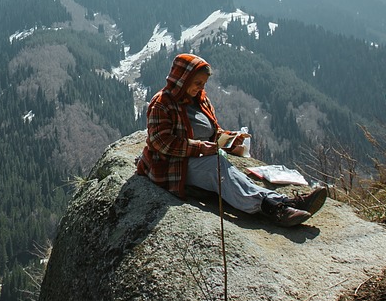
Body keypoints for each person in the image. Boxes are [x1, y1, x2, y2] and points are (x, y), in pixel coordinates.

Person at [135, 53, 329, 227]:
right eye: (197, 83)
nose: (201, 88)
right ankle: (271, 208)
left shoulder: (200, 100)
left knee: (231, 174)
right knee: (218, 168)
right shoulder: (162, 103)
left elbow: (213, 131)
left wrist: (228, 139)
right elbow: (161, 142)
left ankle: (284, 203)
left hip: (200, 158)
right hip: (172, 164)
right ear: (182, 80)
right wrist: (199, 148)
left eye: (203, 83)